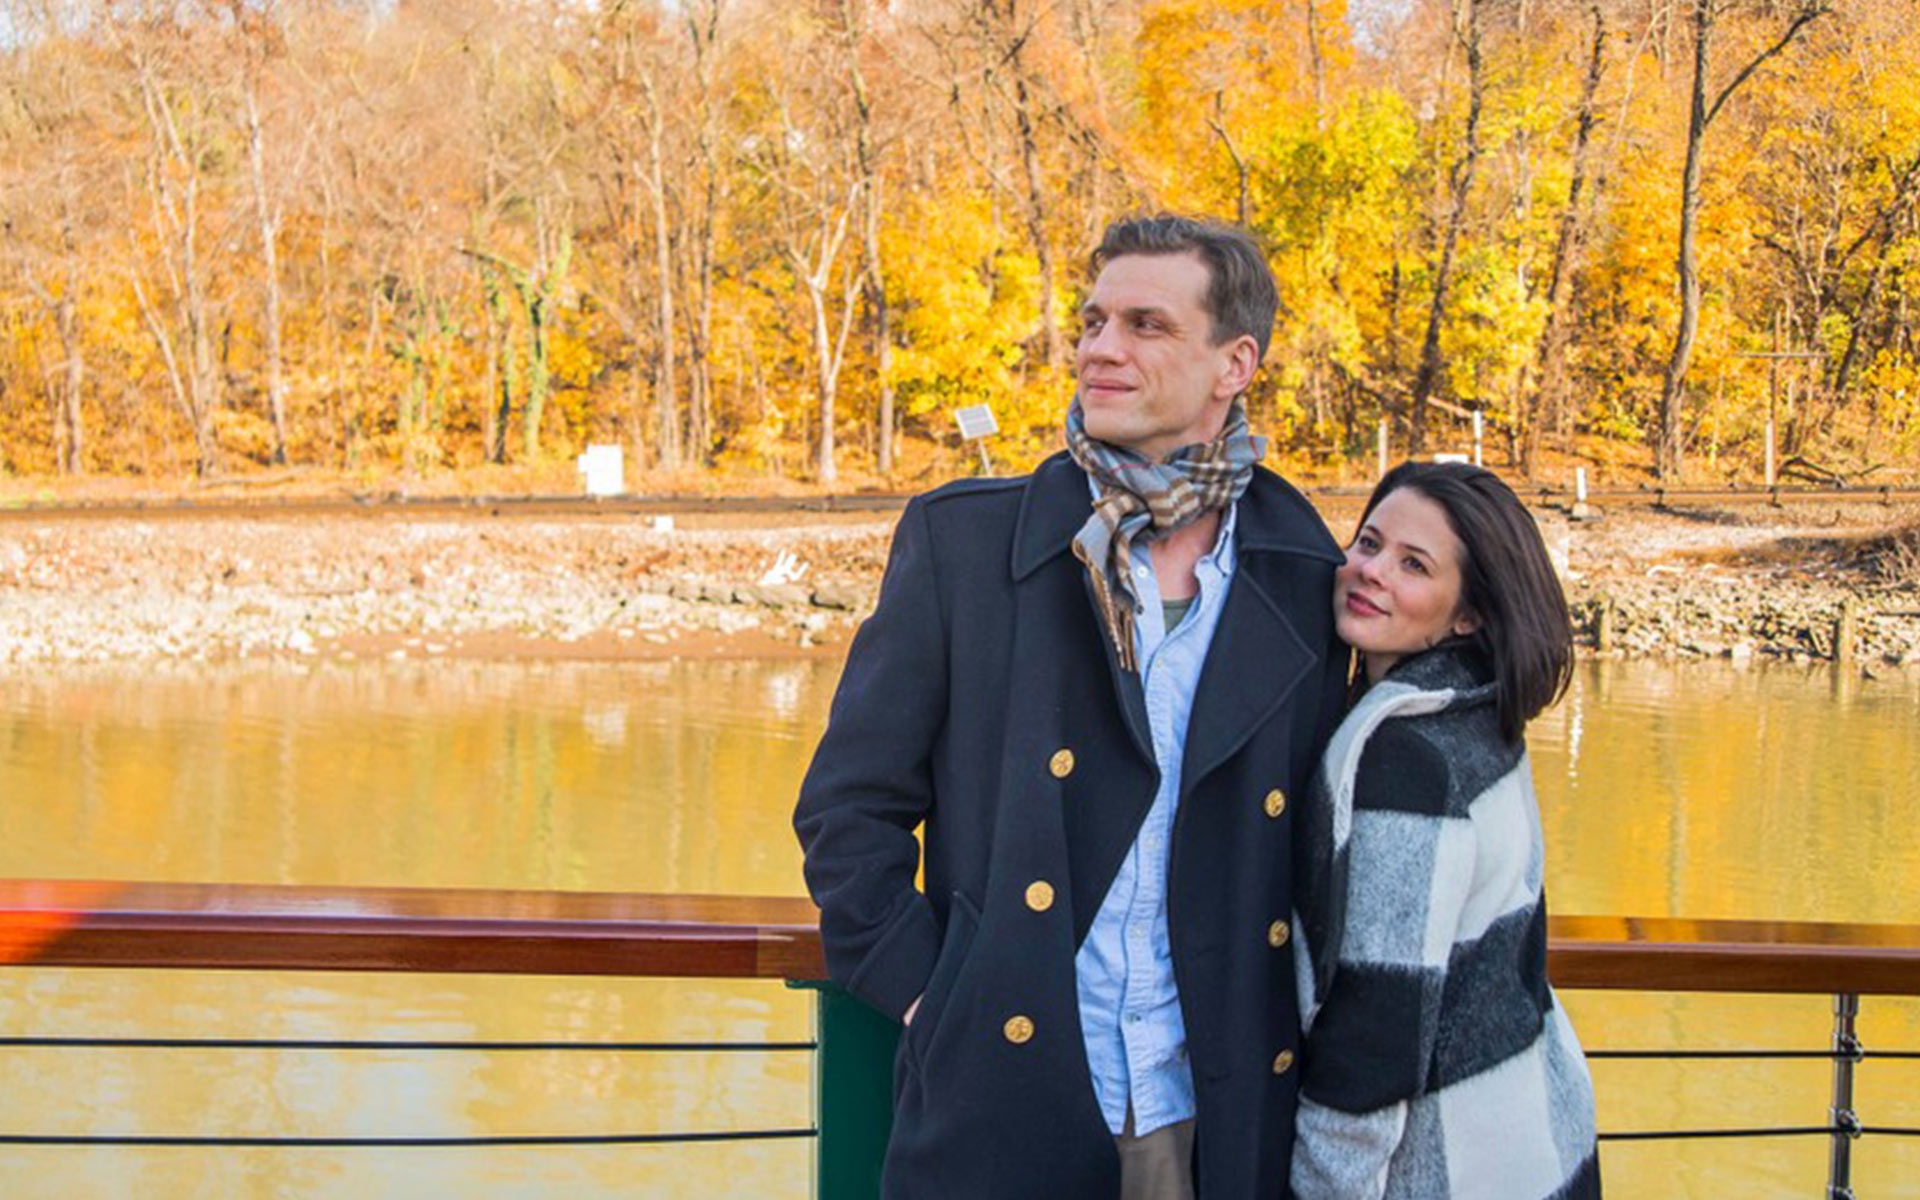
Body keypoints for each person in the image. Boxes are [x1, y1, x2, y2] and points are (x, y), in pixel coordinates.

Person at [793, 215, 1349, 1199]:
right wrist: (936, 997)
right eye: (1093, 322)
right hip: (1006, 1092)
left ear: (1235, 364)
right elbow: (849, 807)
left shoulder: (1304, 573)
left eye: (1145, 324)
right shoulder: (965, 545)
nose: (1099, 348)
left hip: (1211, 1115)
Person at [1289, 460, 1601, 1199]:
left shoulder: (1404, 760)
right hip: (1536, 1131)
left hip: (1453, 1165)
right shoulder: (1479, 720)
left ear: (1469, 614)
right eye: (1368, 543)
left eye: (1414, 565)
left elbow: (1376, 1033)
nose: (1370, 572)